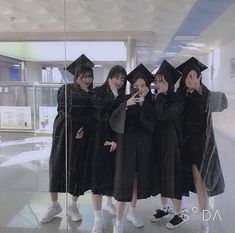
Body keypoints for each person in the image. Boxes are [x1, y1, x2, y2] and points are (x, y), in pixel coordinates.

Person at [41, 54, 94, 223]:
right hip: (63, 135)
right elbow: (67, 111)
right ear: (77, 76)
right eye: (84, 76)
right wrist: (84, 95)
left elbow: (90, 118)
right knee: (56, 167)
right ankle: (55, 205)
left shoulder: (91, 94)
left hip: (79, 138)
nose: (88, 79)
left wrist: (84, 130)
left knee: (76, 168)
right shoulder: (65, 89)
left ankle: (73, 205)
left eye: (90, 76)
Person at [176, 57, 225, 233]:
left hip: (200, 145)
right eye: (187, 76)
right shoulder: (181, 95)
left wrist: (199, 89)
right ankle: (178, 214)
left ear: (199, 78)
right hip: (183, 144)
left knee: (200, 182)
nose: (190, 79)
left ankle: (204, 222)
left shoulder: (205, 95)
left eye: (193, 76)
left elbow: (222, 103)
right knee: (180, 182)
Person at [111, 64, 156, 233]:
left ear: (147, 87)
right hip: (126, 147)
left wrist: (143, 105)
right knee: (123, 183)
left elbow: (151, 126)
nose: (139, 88)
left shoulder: (150, 103)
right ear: (132, 86)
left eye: (143, 85)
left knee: (136, 180)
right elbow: (114, 121)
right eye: (136, 85)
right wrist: (126, 105)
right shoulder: (124, 100)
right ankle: (118, 222)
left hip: (142, 147)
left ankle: (132, 212)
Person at [89, 65, 127, 233]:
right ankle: (97, 220)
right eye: (117, 78)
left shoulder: (122, 97)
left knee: (112, 174)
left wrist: (116, 140)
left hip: (115, 141)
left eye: (122, 79)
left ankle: (108, 203)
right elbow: (101, 116)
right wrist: (112, 94)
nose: (120, 81)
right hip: (99, 140)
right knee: (98, 179)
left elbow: (121, 122)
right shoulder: (98, 92)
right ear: (110, 77)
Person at [151, 60, 185, 229]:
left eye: (162, 81)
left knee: (173, 178)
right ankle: (165, 209)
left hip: (172, 143)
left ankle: (179, 214)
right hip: (159, 142)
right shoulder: (157, 97)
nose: (159, 84)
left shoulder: (177, 98)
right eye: (157, 81)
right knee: (162, 176)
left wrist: (161, 97)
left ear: (170, 83)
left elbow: (165, 115)